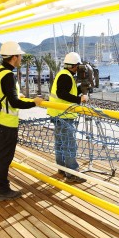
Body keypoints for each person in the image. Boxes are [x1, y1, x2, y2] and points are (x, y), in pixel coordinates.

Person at [0, 41, 43, 201]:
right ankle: (2, 191)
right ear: (14, 57)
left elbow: (5, 96)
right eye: (20, 56)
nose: (21, 59)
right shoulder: (8, 76)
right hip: (6, 124)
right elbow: (14, 103)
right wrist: (34, 102)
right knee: (4, 158)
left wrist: (16, 96)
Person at [47, 52, 88, 183]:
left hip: (57, 114)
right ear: (74, 66)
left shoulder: (64, 74)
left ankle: (61, 167)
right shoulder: (65, 76)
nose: (79, 69)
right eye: (78, 67)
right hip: (64, 116)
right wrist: (79, 99)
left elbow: (67, 91)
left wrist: (80, 90)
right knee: (69, 145)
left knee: (60, 143)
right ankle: (72, 173)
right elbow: (61, 94)